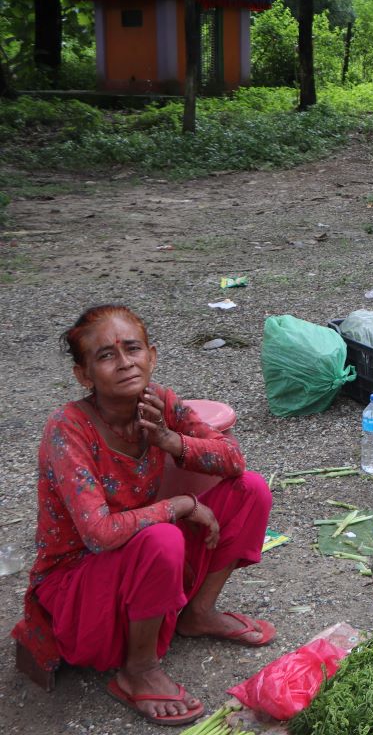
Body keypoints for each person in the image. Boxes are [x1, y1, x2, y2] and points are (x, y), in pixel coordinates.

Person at [11, 306, 272, 726]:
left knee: (251, 490)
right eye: (105, 355)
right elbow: (98, 534)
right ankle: (138, 670)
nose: (125, 362)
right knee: (164, 536)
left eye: (132, 349)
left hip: (139, 558)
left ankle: (197, 613)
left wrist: (170, 439)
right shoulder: (68, 429)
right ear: (84, 375)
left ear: (152, 355)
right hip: (77, 582)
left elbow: (234, 460)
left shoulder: (160, 403)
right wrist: (183, 505)